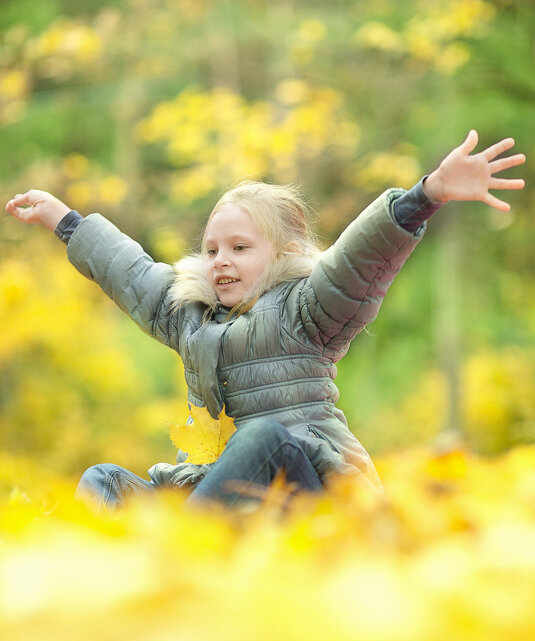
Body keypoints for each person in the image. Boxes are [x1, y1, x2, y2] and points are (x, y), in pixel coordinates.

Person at [5, 130, 526, 511]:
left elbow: (359, 259)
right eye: (211, 249)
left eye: (239, 247)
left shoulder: (307, 309)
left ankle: (177, 550)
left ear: (282, 254)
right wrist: (64, 220)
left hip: (307, 489)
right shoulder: (187, 315)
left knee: (261, 438)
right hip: (223, 494)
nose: (220, 260)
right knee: (105, 480)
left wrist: (425, 195)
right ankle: (105, 568)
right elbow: (130, 272)